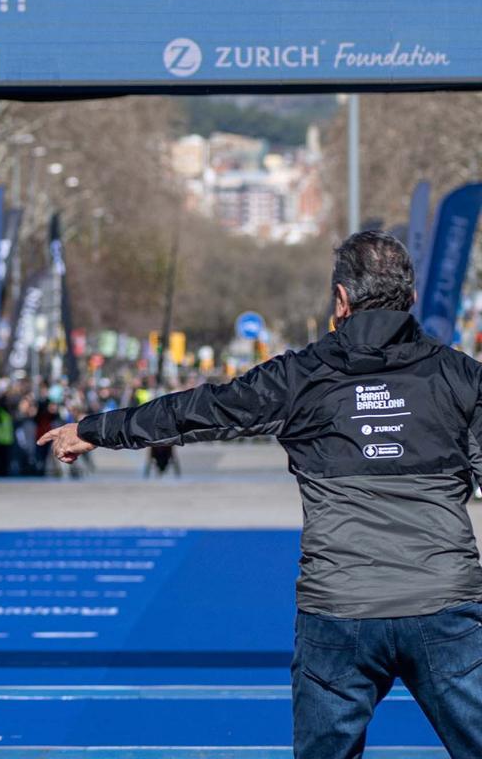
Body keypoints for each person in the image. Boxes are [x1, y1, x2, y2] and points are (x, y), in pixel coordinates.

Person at [39, 231, 482, 759]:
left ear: (340, 300)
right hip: (443, 603)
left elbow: (200, 411)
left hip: (339, 609)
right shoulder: (461, 377)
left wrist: (96, 429)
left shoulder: (302, 376)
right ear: (410, 298)